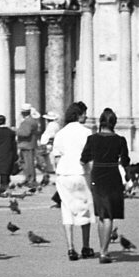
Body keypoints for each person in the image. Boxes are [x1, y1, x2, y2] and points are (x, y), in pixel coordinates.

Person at [81, 108, 131, 263]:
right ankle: (104, 251)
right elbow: (126, 161)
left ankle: (102, 248)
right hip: (113, 175)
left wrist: (90, 170)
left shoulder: (92, 139)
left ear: (101, 122)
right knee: (109, 214)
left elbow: (83, 159)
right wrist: (129, 178)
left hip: (98, 174)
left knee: (101, 213)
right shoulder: (120, 140)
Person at [51, 101, 94, 259]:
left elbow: (56, 157)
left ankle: (70, 247)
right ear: (78, 114)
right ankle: (86, 246)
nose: (86, 116)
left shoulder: (60, 133)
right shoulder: (87, 132)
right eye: (84, 113)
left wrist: (58, 173)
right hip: (81, 173)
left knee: (67, 209)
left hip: (64, 173)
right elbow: (90, 156)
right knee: (85, 208)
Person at [15, 106, 41, 188]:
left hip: (27, 145)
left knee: (28, 163)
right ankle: (28, 178)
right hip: (28, 144)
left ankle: (31, 180)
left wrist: (15, 130)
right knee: (25, 163)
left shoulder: (28, 121)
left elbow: (25, 133)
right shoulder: (32, 121)